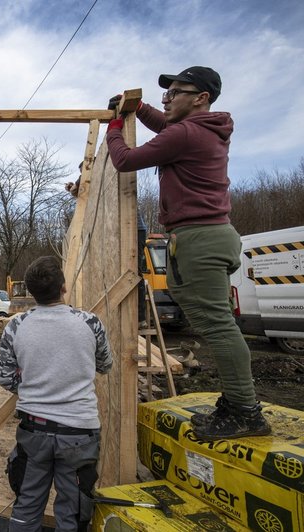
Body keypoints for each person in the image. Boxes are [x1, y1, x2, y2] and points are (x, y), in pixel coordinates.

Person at [106, 66, 271, 441]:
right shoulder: (199, 130)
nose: (167, 98)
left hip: (200, 237)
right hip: (209, 236)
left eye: (175, 92)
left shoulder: (186, 132)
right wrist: (142, 108)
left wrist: (116, 128)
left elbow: (126, 161)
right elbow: (166, 126)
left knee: (218, 326)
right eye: (166, 93)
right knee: (219, 323)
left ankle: (245, 412)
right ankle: (236, 404)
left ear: (201, 98)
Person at [0, 256, 112, 531]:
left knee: (26, 507)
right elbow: (106, 365)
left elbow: (4, 377)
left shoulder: (15, 326)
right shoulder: (89, 322)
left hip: (33, 431)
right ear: (63, 288)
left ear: (31, 292)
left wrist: (32, 387)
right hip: (79, 432)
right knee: (73, 514)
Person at [65, 163, 148, 326]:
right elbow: (80, 189)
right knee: (112, 271)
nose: (82, 175)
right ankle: (122, 317)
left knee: (132, 271)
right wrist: (73, 188)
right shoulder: (96, 182)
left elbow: (84, 183)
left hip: (132, 229)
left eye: (83, 172)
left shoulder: (105, 172)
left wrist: (76, 185)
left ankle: (139, 318)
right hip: (116, 230)